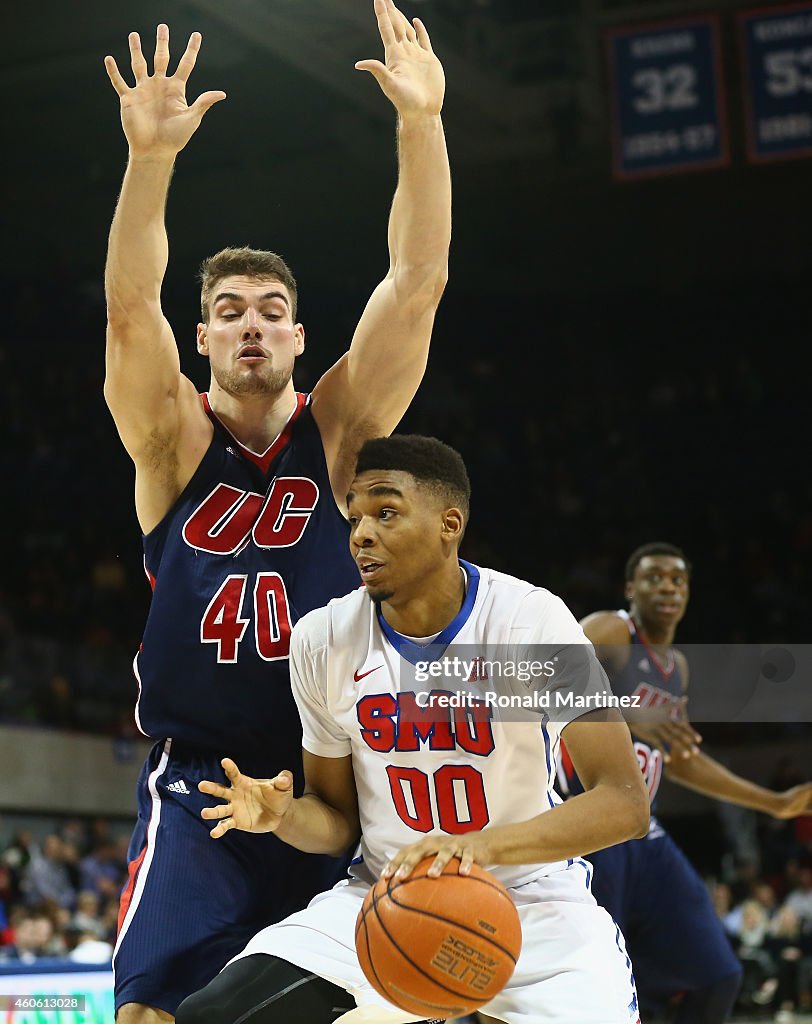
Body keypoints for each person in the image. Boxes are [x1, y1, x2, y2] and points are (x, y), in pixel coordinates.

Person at [102, 1, 451, 1019]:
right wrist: (150, 160)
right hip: (201, 778)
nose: (248, 327)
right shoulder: (169, 438)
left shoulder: (338, 435)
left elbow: (418, 281)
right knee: (150, 1009)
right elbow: (129, 307)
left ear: (298, 338)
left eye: (266, 312)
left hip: (328, 776)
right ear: (201, 340)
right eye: (226, 313)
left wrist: (420, 126)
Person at [176, 435, 650, 1024]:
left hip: (531, 901)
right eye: (353, 516)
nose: (361, 533)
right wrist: (283, 816)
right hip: (385, 897)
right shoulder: (324, 639)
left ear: (449, 524)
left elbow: (624, 803)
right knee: (211, 1018)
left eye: (385, 511)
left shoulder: (529, 621)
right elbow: (337, 820)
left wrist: (474, 848)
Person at [557, 541, 812, 1023]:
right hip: (585, 825)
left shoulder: (678, 668)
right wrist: (629, 713)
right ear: (630, 588)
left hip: (641, 833)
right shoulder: (611, 630)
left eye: (677, 579)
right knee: (590, 987)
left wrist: (774, 803)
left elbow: (682, 756)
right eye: (653, 577)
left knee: (715, 976)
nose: (667, 586)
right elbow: (542, 680)